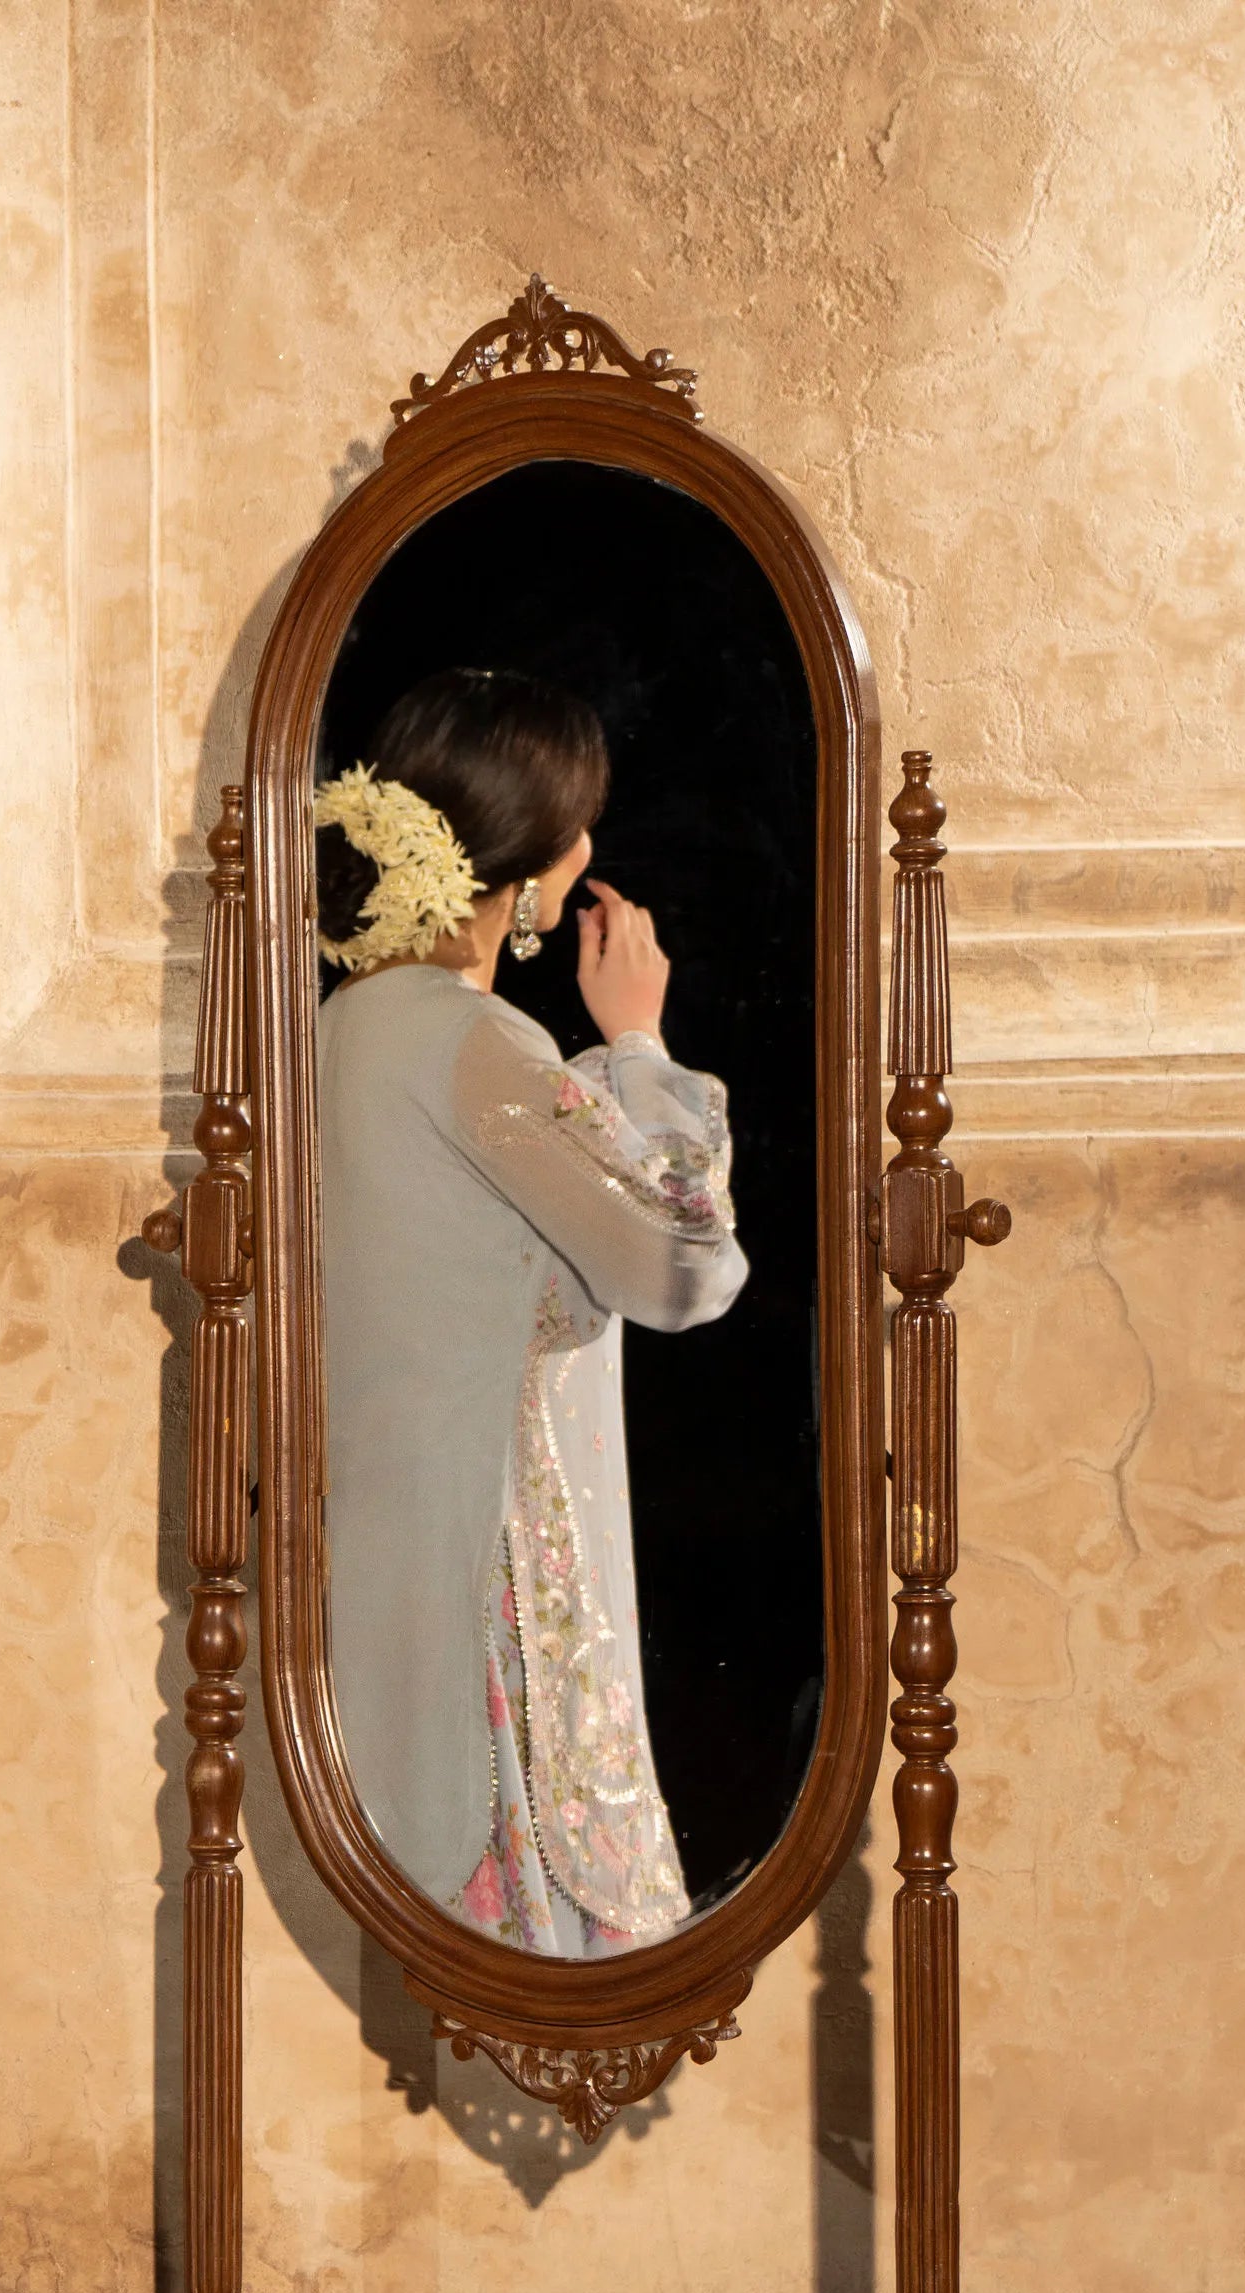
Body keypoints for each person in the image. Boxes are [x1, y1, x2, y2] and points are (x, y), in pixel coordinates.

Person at [312, 667, 748, 1956]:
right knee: (537, 1964)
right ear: (539, 862)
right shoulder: (480, 1048)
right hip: (492, 1563)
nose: (588, 850)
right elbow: (684, 1266)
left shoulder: (338, 1031)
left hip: (380, 1561)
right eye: (579, 824)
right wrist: (640, 1045)